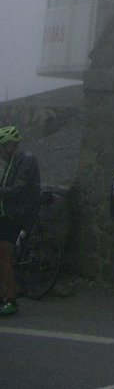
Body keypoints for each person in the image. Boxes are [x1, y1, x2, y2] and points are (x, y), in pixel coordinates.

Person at [0, 125, 41, 315]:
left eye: (1, 147)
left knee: (3, 258)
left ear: (10, 146)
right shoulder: (12, 161)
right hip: (7, 213)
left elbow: (20, 189)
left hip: (17, 215)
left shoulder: (25, 160)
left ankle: (11, 300)